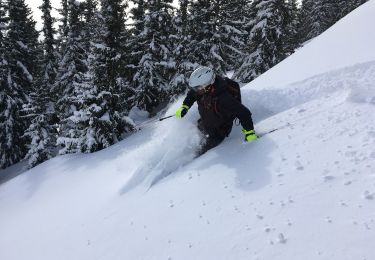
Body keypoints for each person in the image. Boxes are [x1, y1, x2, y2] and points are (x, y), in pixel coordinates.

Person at [175, 66, 257, 156]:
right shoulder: (202, 90)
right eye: (195, 88)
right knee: (194, 137)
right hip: (204, 123)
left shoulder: (223, 98)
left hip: (218, 132)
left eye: (198, 88)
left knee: (201, 153)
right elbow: (192, 94)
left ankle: (190, 162)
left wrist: (250, 133)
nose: (196, 91)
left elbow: (243, 113)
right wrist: (185, 107)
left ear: (208, 85)